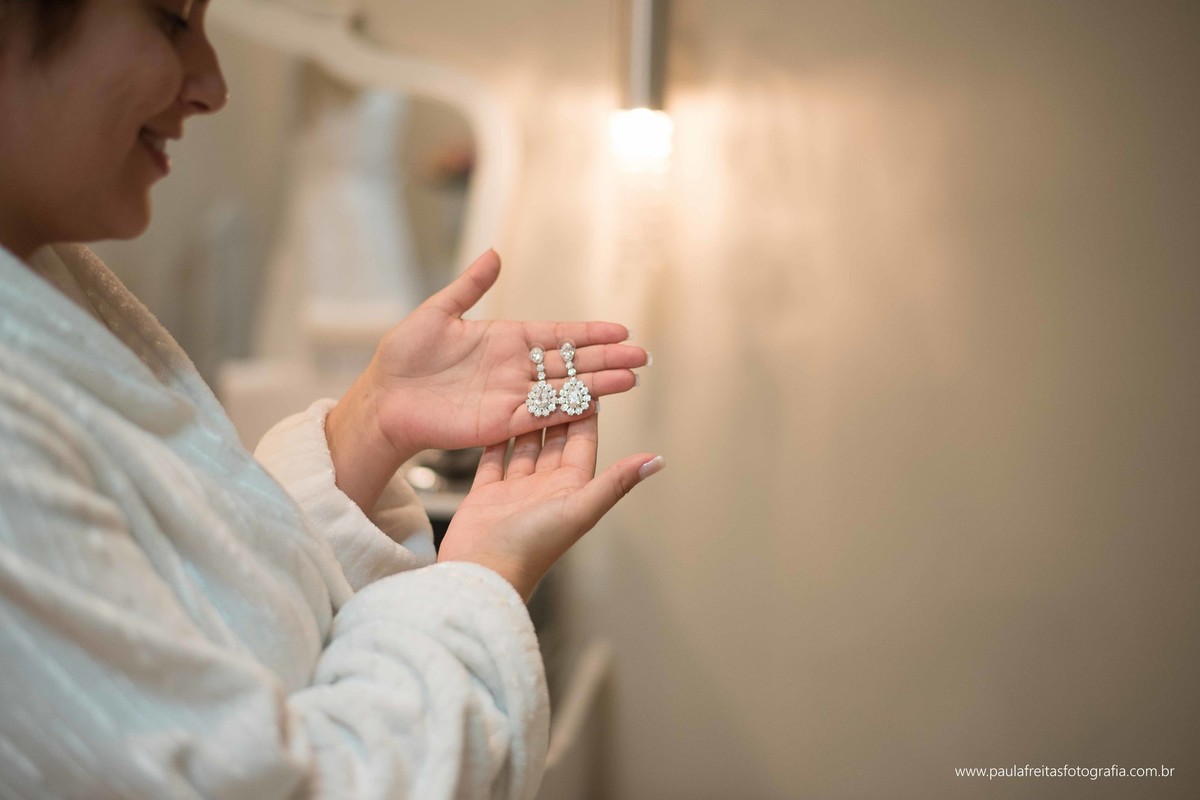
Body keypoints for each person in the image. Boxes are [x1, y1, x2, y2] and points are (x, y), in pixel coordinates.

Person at [0, 1, 663, 797]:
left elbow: (206, 610)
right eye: (174, 19)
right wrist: (480, 577)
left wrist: (368, 424)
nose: (212, 86)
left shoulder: (50, 280)